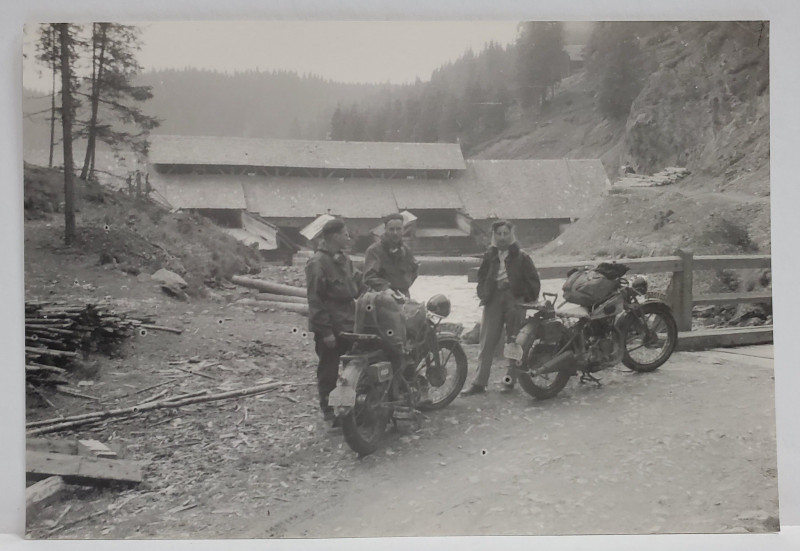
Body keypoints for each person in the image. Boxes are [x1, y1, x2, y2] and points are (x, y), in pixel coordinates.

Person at [462, 220, 541, 395]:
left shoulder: (522, 257)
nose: (503, 238)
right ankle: (479, 382)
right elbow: (481, 277)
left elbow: (534, 282)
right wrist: (484, 292)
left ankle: (509, 380)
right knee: (487, 340)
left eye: (506, 234)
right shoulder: (489, 256)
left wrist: (519, 293)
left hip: (515, 301)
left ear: (511, 235)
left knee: (514, 341)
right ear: (494, 235)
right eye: (499, 234)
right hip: (493, 300)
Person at [305, 218, 360, 424]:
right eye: (345, 234)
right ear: (334, 236)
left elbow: (357, 283)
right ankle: (330, 414)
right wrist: (326, 331)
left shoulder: (344, 260)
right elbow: (315, 300)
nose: (348, 237)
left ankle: (345, 410)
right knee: (329, 370)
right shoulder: (317, 262)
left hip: (348, 322)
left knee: (350, 370)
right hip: (330, 326)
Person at [363, 213, 419, 298]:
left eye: (398, 229)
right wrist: (385, 289)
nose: (395, 233)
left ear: (403, 230)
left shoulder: (405, 250)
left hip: (403, 295)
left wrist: (406, 283)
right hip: (383, 297)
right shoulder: (374, 251)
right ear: (385, 229)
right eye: (391, 229)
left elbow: (414, 269)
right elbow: (369, 277)